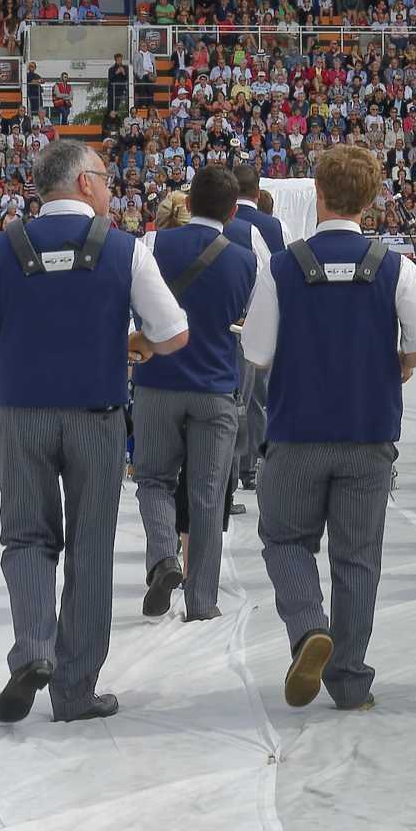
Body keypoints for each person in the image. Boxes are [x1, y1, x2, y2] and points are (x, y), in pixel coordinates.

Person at [0, 141, 188, 723]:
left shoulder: (1, 249)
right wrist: (135, 344)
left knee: (27, 538)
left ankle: (33, 649)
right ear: (84, 184)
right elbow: (175, 332)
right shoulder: (124, 250)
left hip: (23, 415)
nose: (111, 191)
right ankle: (76, 687)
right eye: (105, 180)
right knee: (91, 547)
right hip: (96, 414)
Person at [242, 145, 416, 710]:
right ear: (371, 199)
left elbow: (257, 353)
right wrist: (400, 362)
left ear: (319, 195)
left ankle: (309, 627)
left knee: (285, 540)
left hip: (297, 431)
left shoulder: (282, 266)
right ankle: (351, 679)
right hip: (368, 432)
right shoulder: (394, 265)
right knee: (357, 558)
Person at [128, 164, 260, 624]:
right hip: (215, 385)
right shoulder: (246, 259)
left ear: (189, 201)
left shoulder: (152, 245)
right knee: (206, 494)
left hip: (158, 382)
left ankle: (164, 556)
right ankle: (202, 599)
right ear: (230, 213)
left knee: (153, 480)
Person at [231, 164, 287, 495]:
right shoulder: (271, 225)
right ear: (257, 191)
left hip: (224, 317)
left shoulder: (224, 221)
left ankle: (235, 463)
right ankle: (252, 463)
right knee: (258, 397)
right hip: (258, 317)